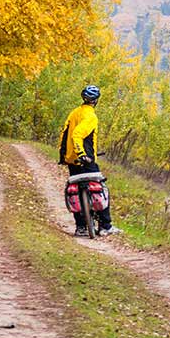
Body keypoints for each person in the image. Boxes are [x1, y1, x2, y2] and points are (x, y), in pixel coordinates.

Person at [58, 85, 122, 237]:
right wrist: (82, 153)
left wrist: (66, 156)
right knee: (100, 188)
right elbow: (76, 135)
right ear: (96, 101)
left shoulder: (74, 113)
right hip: (85, 160)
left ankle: (80, 227)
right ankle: (105, 226)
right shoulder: (91, 116)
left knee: (76, 190)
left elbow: (64, 134)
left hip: (71, 160)